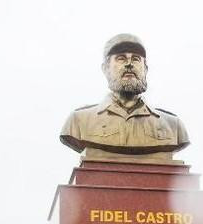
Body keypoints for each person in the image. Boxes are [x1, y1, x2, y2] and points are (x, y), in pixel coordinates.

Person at [60, 33, 190, 156]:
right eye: (121, 58)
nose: (129, 64)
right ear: (105, 68)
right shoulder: (79, 121)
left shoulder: (173, 126)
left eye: (136, 59)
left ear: (145, 69)